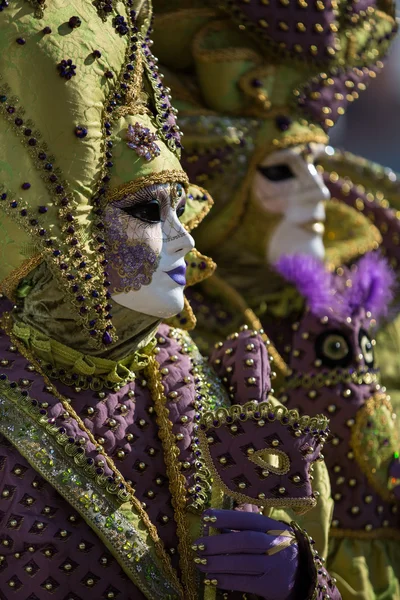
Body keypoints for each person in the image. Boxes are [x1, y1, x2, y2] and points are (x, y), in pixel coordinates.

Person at [0, 1, 341, 599]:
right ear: (65, 235)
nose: (185, 235)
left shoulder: (193, 370)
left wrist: (300, 583)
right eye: (145, 210)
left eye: (178, 207)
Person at [151, 1, 400, 598]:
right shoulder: (168, 333)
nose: (317, 190)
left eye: (315, 163)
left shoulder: (368, 314)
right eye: (283, 172)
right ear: (218, 189)